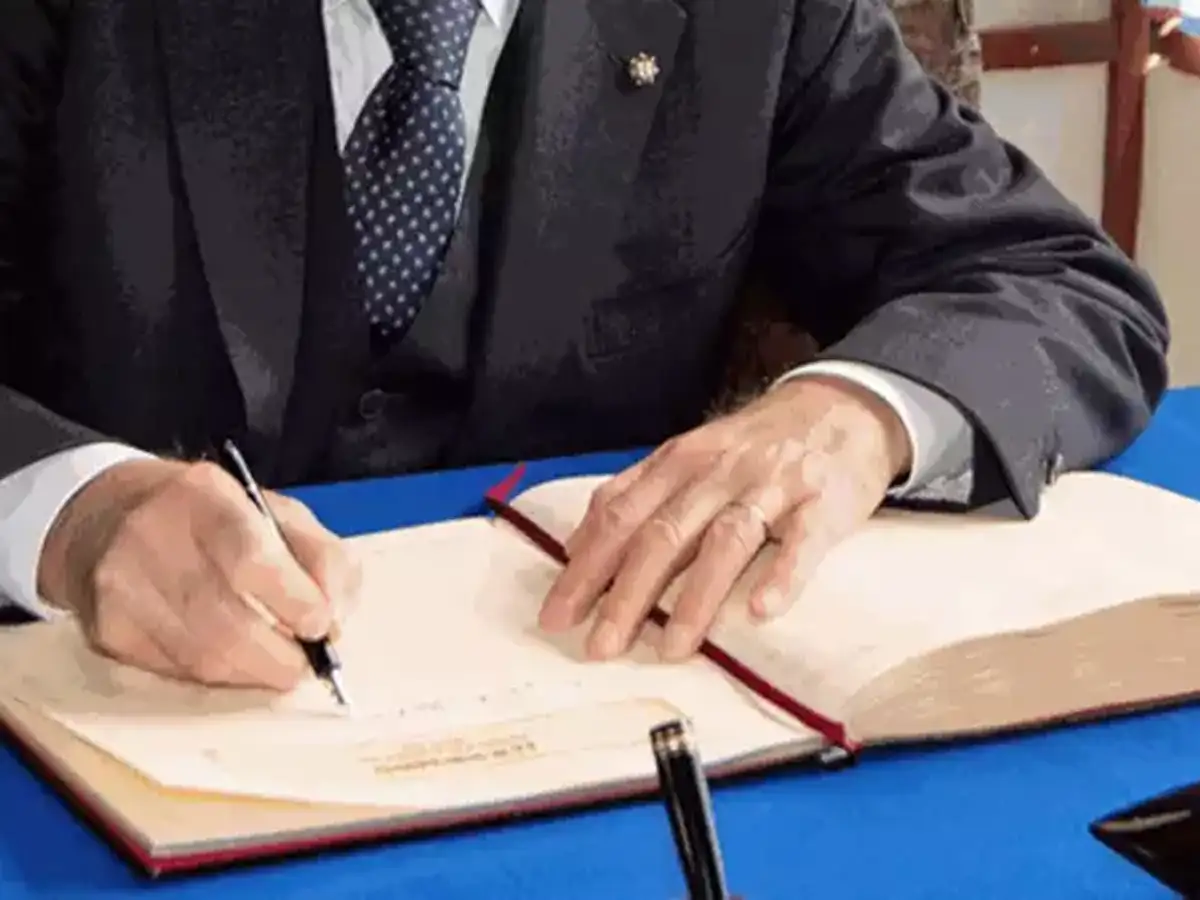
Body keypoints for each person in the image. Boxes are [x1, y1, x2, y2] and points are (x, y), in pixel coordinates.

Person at [0, 0, 1168, 689]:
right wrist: (78, 514)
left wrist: (853, 416)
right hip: (96, 723)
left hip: (582, 721)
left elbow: (1058, 279)